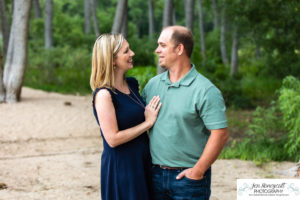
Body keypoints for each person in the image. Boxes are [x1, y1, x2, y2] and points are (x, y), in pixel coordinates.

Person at [142, 26, 229, 200]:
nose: (157, 50)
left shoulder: (205, 90)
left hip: (188, 179)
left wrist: (198, 171)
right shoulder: (152, 85)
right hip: (154, 175)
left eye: (163, 45)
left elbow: (220, 134)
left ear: (180, 49)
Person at [90, 33, 162, 200]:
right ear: (112, 60)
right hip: (122, 168)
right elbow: (112, 139)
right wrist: (148, 123)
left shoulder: (132, 84)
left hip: (142, 162)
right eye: (126, 51)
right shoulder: (104, 95)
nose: (132, 54)